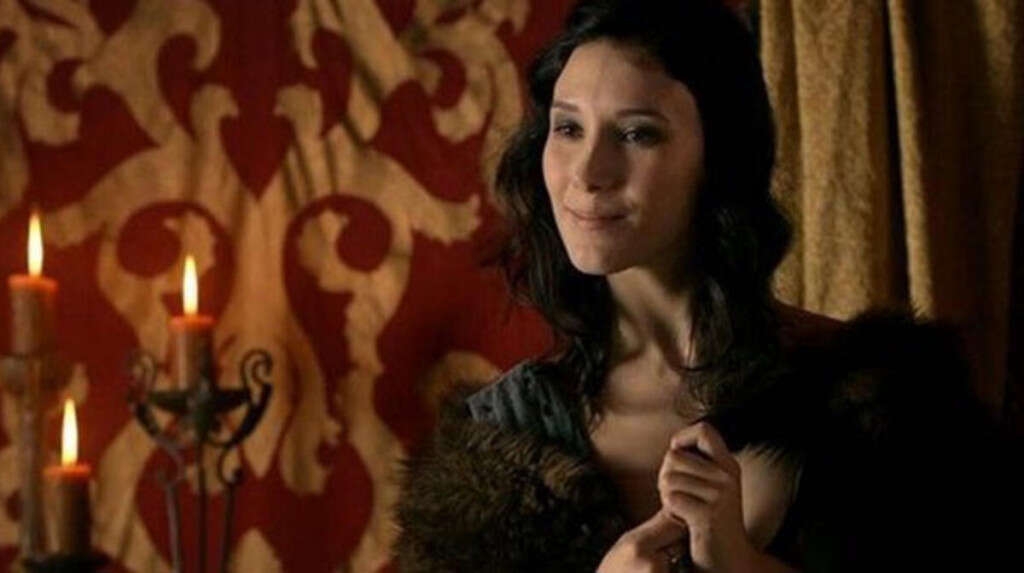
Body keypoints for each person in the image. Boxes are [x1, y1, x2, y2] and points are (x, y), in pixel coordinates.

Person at [392, 1, 1019, 571]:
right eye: (568, 128)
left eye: (637, 133)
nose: (588, 172)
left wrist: (742, 565)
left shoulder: (878, 404)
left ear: (719, 156)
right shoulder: (494, 452)